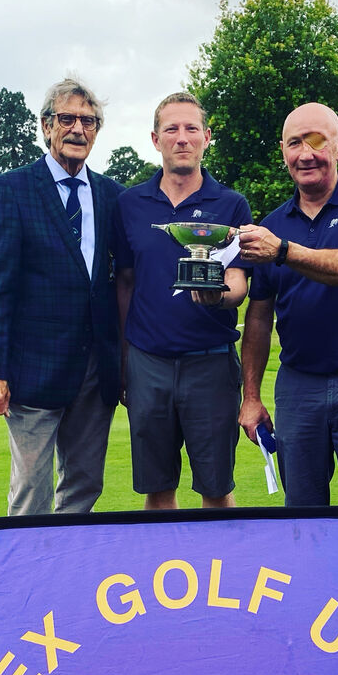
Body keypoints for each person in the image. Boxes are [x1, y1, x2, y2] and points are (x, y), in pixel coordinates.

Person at [238, 102, 338, 506]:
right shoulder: (273, 224)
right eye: (295, 143)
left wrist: (284, 251)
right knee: (302, 514)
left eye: (317, 141)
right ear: (283, 152)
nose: (306, 154)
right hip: (298, 385)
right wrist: (251, 396)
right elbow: (258, 317)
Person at [0, 76, 125, 515]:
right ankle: (27, 561)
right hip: (33, 372)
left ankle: (66, 559)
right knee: (30, 495)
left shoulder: (112, 196)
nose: (77, 129)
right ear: (46, 126)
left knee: (84, 487)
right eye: (66, 119)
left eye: (88, 121)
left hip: (96, 373)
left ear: (96, 131)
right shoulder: (13, 189)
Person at [114, 92, 252, 509]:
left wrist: (217, 296)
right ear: (155, 139)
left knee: (216, 490)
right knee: (157, 491)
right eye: (171, 129)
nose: (182, 138)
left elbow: (239, 282)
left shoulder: (231, 204)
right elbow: (125, 282)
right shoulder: (130, 204)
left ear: (206, 137)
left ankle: (217, 557)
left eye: (192, 128)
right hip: (148, 363)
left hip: (211, 364)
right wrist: (124, 361)